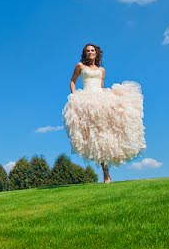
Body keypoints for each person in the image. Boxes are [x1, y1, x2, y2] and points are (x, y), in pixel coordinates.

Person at [62, 43, 146, 183]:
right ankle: (105, 174)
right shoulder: (80, 66)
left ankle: (107, 174)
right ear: (85, 53)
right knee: (96, 136)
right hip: (86, 100)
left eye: (92, 50)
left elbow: (100, 86)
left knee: (106, 134)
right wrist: (74, 95)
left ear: (96, 53)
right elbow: (72, 81)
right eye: (87, 51)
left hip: (100, 99)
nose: (90, 52)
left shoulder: (102, 70)